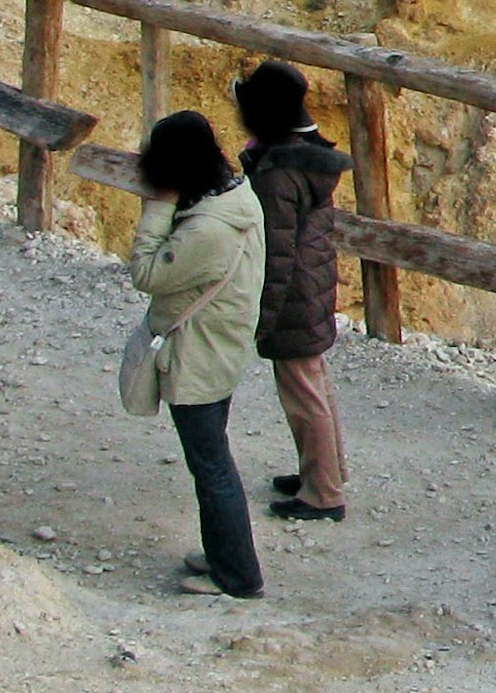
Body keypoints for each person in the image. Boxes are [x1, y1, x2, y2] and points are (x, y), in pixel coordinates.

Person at [129, 110, 268, 599]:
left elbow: (148, 273)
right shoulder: (234, 194)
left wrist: (157, 205)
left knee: (211, 468)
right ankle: (223, 554)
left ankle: (238, 576)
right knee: (212, 463)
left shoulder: (208, 229)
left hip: (200, 356)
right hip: (221, 346)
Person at [234, 61, 354, 522]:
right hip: (313, 285)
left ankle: (323, 494)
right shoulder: (307, 156)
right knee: (315, 382)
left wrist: (261, 317)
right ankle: (324, 471)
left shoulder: (276, 173)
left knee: (302, 392)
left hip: (292, 293)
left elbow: (274, 251)